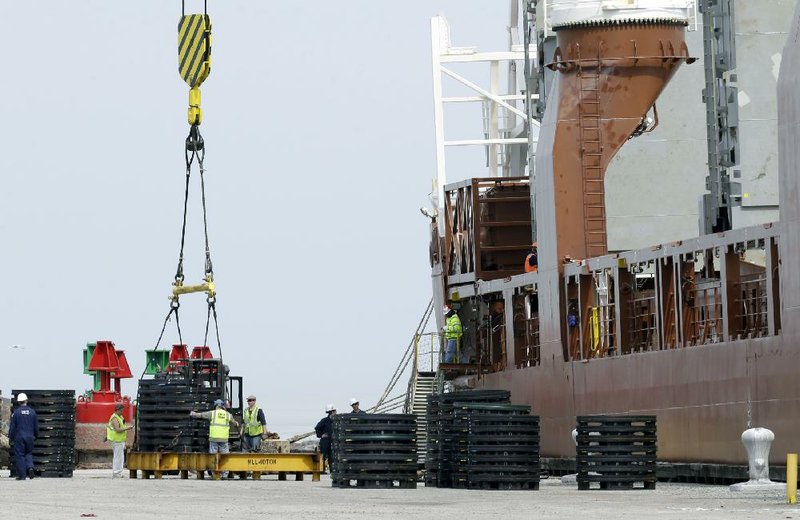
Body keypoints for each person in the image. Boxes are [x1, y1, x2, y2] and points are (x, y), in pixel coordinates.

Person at [9, 392, 38, 480]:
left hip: (20, 437)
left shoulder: (16, 413)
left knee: (20, 455)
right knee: (28, 453)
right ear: (26, 400)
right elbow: (35, 427)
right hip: (30, 437)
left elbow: (13, 427)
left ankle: (22, 475)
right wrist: (35, 436)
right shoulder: (32, 412)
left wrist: (10, 437)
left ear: (18, 402)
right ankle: (30, 468)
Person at [107, 403, 133, 478]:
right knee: (118, 457)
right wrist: (127, 428)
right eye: (121, 410)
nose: (122, 412)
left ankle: (119, 472)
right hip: (117, 440)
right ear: (117, 410)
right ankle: (116, 473)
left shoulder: (120, 417)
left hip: (120, 440)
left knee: (120, 457)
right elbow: (117, 429)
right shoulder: (114, 418)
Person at [314, 404, 336, 473]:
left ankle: (332, 471)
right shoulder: (324, 420)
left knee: (332, 457)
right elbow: (317, 428)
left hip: (333, 441)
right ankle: (322, 470)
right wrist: (321, 435)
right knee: (323, 456)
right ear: (332, 412)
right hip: (325, 441)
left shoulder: (336, 421)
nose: (336, 412)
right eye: (334, 411)